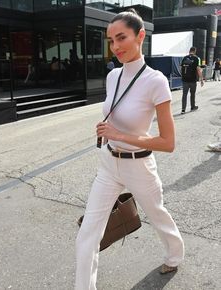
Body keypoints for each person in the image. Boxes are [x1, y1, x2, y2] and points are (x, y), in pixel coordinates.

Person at [75, 9, 184, 290]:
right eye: (111, 40)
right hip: (109, 164)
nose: (116, 46)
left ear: (140, 36)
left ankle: (174, 253)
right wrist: (107, 129)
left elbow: (168, 143)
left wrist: (120, 134)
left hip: (140, 166)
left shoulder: (156, 81)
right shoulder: (113, 77)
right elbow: (116, 112)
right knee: (88, 234)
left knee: (156, 213)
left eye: (121, 37)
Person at [181, 47, 204, 114]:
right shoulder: (197, 58)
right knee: (192, 94)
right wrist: (201, 80)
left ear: (189, 51)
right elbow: (199, 70)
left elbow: (181, 68)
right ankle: (192, 106)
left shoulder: (184, 58)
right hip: (193, 80)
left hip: (185, 80)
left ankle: (183, 109)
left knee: (184, 95)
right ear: (195, 51)